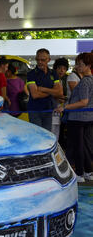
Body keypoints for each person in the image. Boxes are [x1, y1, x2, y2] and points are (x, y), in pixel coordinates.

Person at [55, 52, 93, 183]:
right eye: (77, 64)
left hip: (78, 118)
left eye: (81, 64)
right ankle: (88, 172)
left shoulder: (84, 82)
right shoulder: (90, 79)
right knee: (85, 146)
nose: (77, 66)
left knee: (79, 147)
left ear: (88, 65)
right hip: (87, 118)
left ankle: (80, 173)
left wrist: (65, 107)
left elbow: (83, 101)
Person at [26, 48, 64, 132]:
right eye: (38, 59)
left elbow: (60, 93)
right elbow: (35, 95)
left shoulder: (53, 73)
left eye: (43, 60)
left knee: (48, 135)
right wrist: (53, 92)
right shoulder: (31, 74)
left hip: (49, 110)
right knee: (38, 136)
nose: (40, 62)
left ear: (49, 60)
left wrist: (43, 89)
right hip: (35, 111)